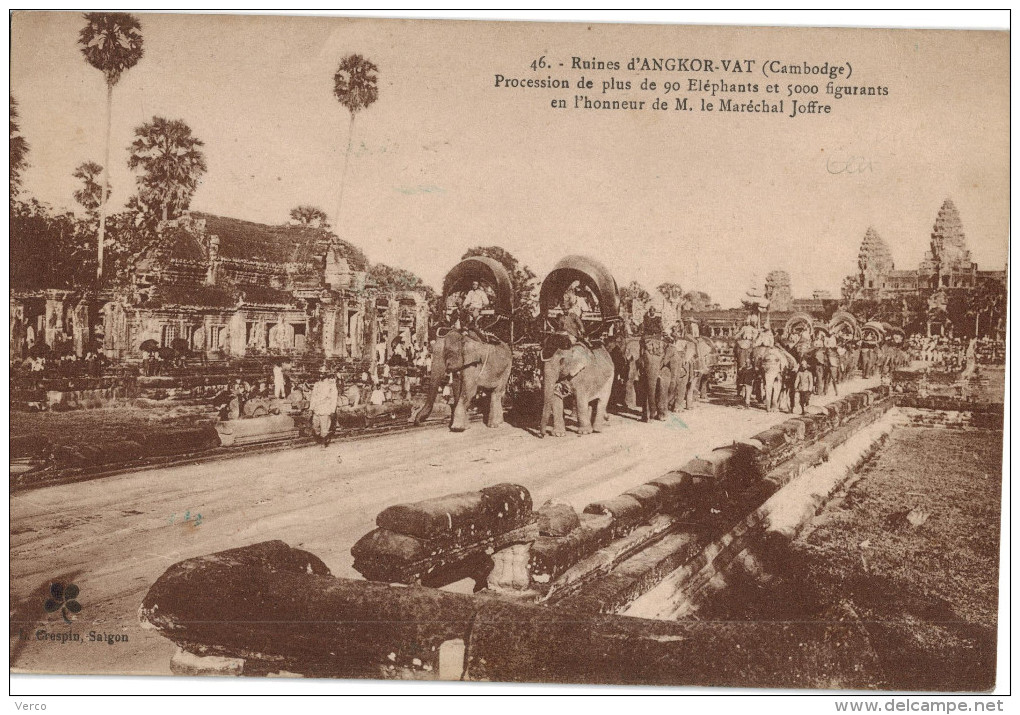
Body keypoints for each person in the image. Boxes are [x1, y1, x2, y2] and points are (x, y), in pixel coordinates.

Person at [309, 368, 339, 448]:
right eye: (320, 373)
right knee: (315, 426)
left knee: (324, 426)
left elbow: (334, 398)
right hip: (317, 408)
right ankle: (325, 437)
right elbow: (313, 397)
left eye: (323, 373)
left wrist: (332, 410)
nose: (321, 374)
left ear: (327, 374)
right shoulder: (317, 384)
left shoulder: (331, 385)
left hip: (326, 408)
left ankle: (323, 443)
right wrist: (311, 408)